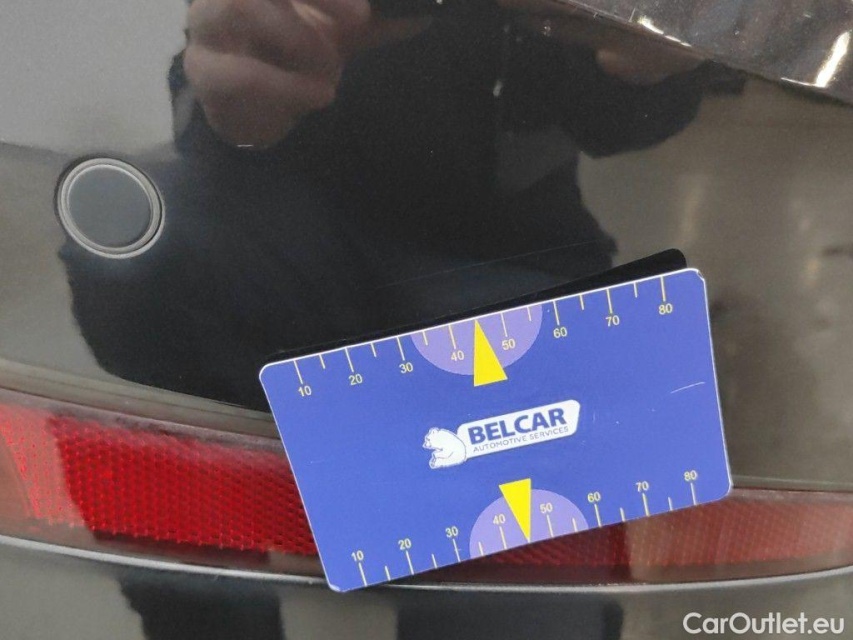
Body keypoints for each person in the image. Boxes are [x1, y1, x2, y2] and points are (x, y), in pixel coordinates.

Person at [62, 0, 711, 410]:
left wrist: (643, 65)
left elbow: (604, 119)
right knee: (135, 251)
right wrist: (229, 107)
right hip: (306, 226)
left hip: (501, 253)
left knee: (530, 555)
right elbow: (221, 69)